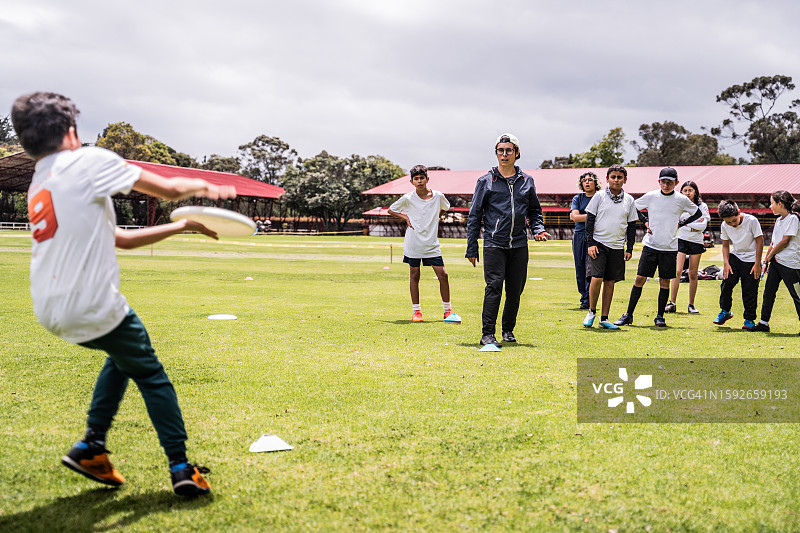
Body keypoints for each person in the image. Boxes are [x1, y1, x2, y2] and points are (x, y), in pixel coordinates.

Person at [12, 92, 236, 497]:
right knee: (150, 372)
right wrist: (206, 185)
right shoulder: (88, 160)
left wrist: (183, 228)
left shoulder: (41, 180)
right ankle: (181, 467)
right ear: (70, 131)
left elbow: (120, 240)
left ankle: (91, 448)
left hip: (49, 308)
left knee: (124, 356)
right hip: (92, 303)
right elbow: (167, 189)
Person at [466, 133, 551, 346]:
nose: (504, 154)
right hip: (494, 243)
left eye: (509, 150)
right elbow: (475, 215)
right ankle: (487, 334)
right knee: (494, 287)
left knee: (515, 290)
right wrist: (472, 247)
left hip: (519, 244)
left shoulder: (527, 181)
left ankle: (508, 330)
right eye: (500, 150)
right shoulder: (486, 181)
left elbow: (534, 211)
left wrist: (538, 229)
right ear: (496, 153)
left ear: (517, 153)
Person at [614, 167, 702, 327]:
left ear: (676, 182)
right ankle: (628, 315)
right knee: (640, 279)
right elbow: (633, 207)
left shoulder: (681, 199)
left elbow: (697, 213)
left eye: (670, 182)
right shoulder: (651, 196)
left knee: (664, 282)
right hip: (651, 245)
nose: (666, 185)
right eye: (663, 181)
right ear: (659, 181)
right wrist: (645, 221)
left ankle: (660, 316)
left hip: (669, 248)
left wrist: (682, 223)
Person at [388, 164, 456, 323]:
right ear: (411, 181)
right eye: (416, 179)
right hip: (413, 243)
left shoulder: (438, 196)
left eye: (422, 178)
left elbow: (446, 207)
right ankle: (416, 312)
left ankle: (447, 311)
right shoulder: (407, 198)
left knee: (443, 275)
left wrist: (436, 216)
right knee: (414, 275)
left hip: (432, 244)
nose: (419, 181)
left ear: (427, 179)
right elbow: (391, 209)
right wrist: (405, 218)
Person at [582, 165, 638, 330]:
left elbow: (632, 226)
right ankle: (591, 311)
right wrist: (590, 243)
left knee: (610, 281)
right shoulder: (599, 196)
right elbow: (589, 220)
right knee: (596, 277)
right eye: (613, 177)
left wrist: (630, 248)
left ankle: (604, 318)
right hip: (598, 244)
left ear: (625, 180)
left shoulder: (629, 200)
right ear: (607, 179)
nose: (616, 180)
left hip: (617, 246)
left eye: (619, 177)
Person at [749, 191, 800, 333]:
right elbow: (774, 242)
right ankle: (764, 323)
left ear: (780, 204)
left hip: (790, 264)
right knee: (769, 292)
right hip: (776, 262)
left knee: (797, 295)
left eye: (772, 203)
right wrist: (766, 261)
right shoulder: (779, 220)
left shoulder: (793, 219)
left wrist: (771, 255)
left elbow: (785, 241)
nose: (770, 206)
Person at [713, 200, 764, 330]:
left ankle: (749, 319)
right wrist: (726, 264)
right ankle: (725, 311)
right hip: (735, 256)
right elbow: (725, 244)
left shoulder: (751, 221)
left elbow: (760, 241)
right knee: (726, 283)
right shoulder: (725, 225)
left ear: (739, 212)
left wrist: (758, 263)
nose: (732, 224)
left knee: (749, 290)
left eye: (734, 221)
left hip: (752, 259)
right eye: (728, 222)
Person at [665, 181, 710, 314]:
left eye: (690, 190)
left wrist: (686, 224)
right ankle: (672, 303)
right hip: (681, 240)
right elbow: (675, 222)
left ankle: (691, 304)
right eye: (685, 190)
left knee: (693, 273)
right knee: (677, 271)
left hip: (696, 241)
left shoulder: (702, 206)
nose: (688, 192)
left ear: (695, 191)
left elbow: (703, 225)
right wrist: (694, 223)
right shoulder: (679, 205)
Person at [570, 172, 599, 309]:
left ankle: (589, 297)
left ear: (595, 183)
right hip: (579, 235)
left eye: (590, 180)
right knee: (580, 266)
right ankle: (583, 296)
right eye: (584, 180)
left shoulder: (600, 197)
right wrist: (593, 217)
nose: (587, 182)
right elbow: (574, 217)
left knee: (591, 267)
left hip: (595, 236)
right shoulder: (578, 198)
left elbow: (577, 216)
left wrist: (580, 216)